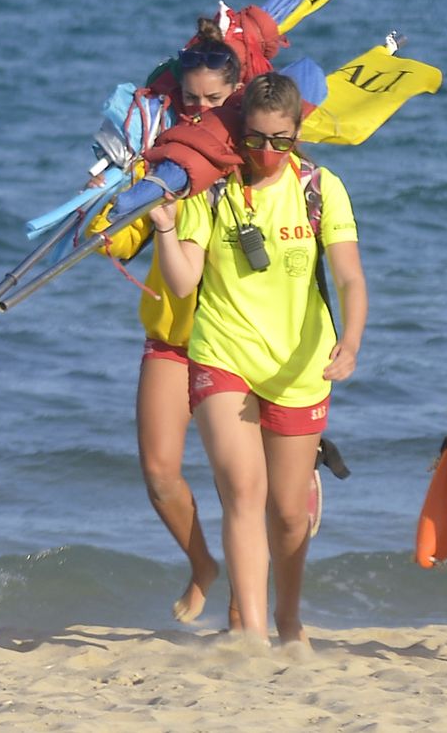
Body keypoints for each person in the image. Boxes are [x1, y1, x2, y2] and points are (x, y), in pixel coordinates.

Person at [151, 72, 367, 645]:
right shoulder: (211, 189)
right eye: (253, 139)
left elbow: (349, 275)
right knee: (243, 492)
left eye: (280, 140)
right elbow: (183, 282)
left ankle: (288, 621)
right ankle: (250, 632)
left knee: (289, 514)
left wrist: (351, 340)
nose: (266, 152)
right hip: (223, 353)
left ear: (298, 134)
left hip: (300, 365)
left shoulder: (320, 187)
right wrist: (166, 228)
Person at [91, 29, 246, 625]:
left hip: (235, 344)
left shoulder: (250, 160)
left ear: (236, 95)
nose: (200, 111)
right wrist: (100, 205)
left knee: (238, 485)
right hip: (173, 338)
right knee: (159, 474)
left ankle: (244, 603)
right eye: (191, 100)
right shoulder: (160, 162)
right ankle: (202, 564)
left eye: (214, 101)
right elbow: (119, 240)